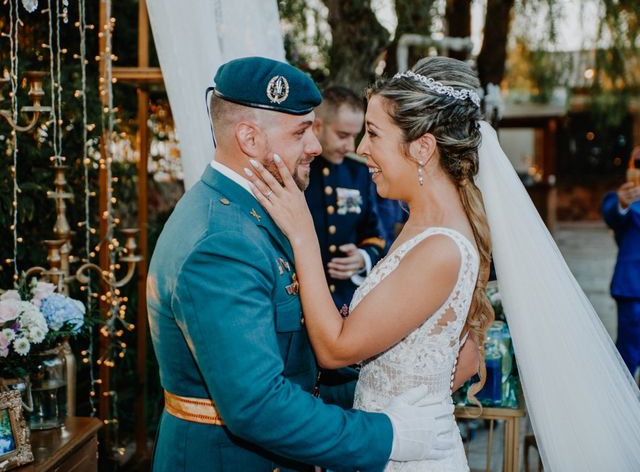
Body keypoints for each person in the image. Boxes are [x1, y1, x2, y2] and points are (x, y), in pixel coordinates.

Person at [247, 56, 640, 471]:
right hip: (399, 444)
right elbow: (456, 361)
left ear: (422, 147)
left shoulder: (440, 247)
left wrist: (303, 234)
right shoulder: (424, 225)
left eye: (374, 134)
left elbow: (335, 349)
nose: (361, 149)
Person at [147, 56, 476, 472]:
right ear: (249, 138)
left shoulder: (256, 212)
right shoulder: (222, 242)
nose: (316, 147)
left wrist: (396, 386)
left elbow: (297, 367)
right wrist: (386, 434)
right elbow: (256, 404)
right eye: (302, 131)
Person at [306, 86, 386, 311]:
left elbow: (374, 235)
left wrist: (362, 258)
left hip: (347, 300)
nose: (351, 146)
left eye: (355, 136)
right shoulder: (298, 170)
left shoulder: (358, 172)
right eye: (342, 135)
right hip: (303, 301)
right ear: (317, 126)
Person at [601, 146, 640, 376]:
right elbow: (612, 215)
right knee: (629, 353)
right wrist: (622, 203)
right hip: (634, 288)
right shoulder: (621, 198)